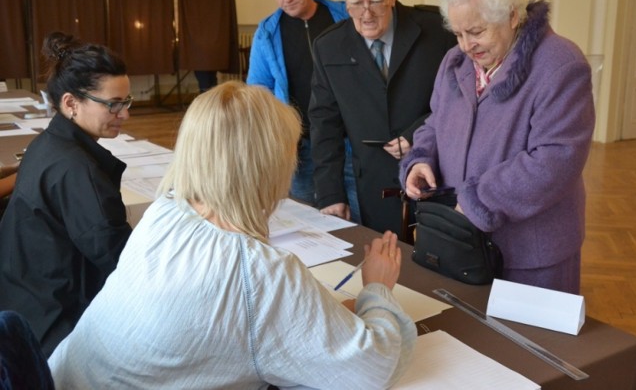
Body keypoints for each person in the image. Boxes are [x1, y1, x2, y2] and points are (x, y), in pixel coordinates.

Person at [48, 82, 416, 389]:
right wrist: (377, 289)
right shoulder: (260, 273)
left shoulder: (166, 210)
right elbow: (371, 368)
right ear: (270, 166)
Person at [400, 0, 595, 294]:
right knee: (471, 341)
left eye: (476, 31)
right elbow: (436, 121)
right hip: (463, 241)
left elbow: (556, 159)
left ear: (512, 16)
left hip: (532, 251)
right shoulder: (455, 61)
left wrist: (478, 200)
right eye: (458, 33)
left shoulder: (560, 64)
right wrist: (420, 160)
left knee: (532, 345)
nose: (465, 45)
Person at [0, 32, 133, 356]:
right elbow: (124, 264)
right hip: (57, 328)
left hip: (22, 301)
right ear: (71, 103)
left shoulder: (48, 143)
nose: (125, 115)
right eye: (113, 105)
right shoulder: (79, 172)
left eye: (127, 102)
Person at [309, 0, 456, 235]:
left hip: (435, 175)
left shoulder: (437, 31)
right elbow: (324, 125)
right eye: (355, 4)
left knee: (436, 266)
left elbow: (457, 100)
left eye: (375, 1)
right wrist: (330, 194)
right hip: (374, 186)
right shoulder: (329, 46)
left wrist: (416, 134)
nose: (366, 13)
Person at [247, 0, 361, 222]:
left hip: (350, 142)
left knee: (358, 218)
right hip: (300, 146)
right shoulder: (267, 32)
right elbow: (258, 91)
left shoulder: (346, 15)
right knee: (308, 221)